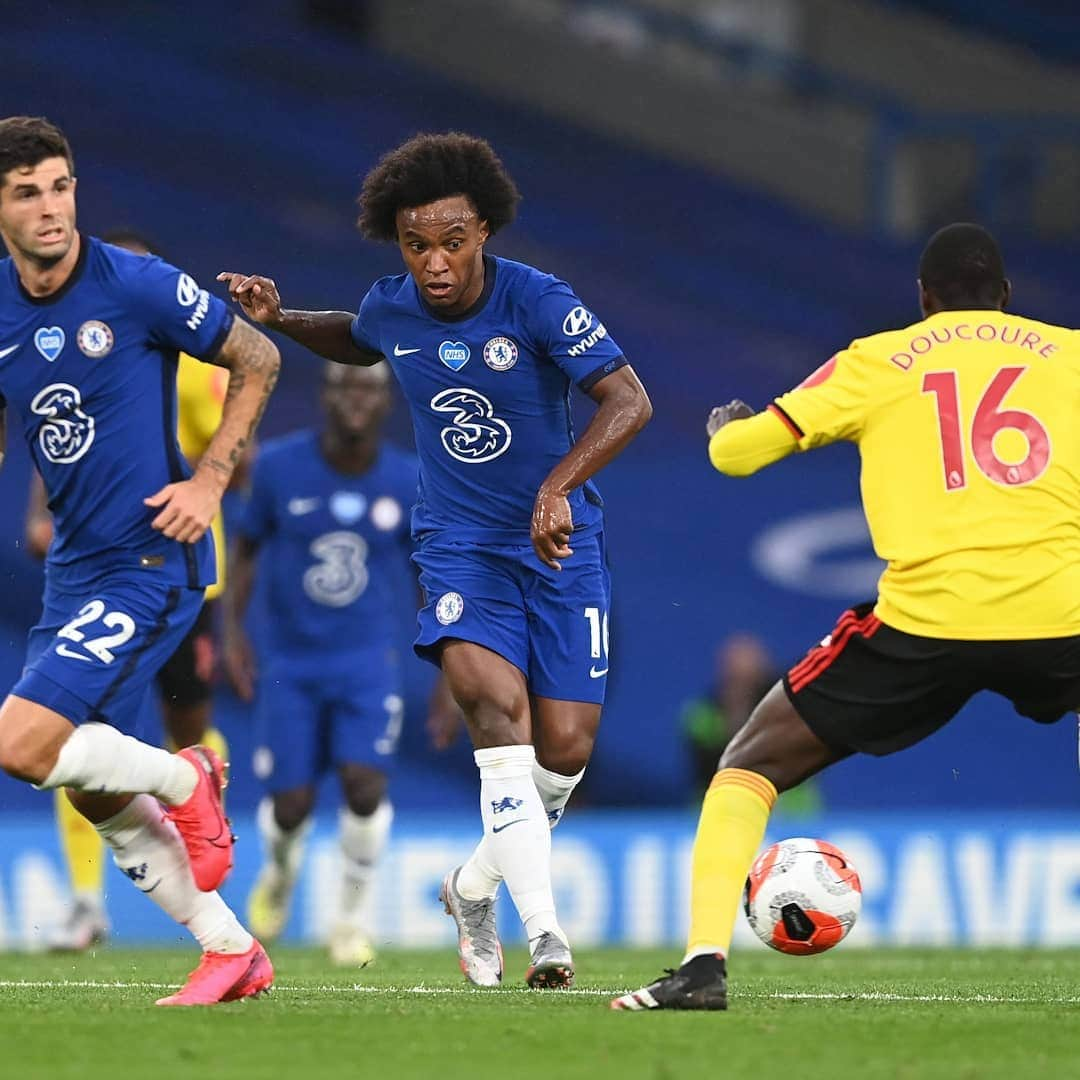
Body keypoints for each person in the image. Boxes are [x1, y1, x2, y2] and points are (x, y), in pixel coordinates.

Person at [218, 131, 652, 988]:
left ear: (485, 229)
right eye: (417, 245)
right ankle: (547, 939)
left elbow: (628, 399)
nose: (436, 262)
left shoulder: (538, 302)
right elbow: (359, 333)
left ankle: (468, 887)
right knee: (498, 714)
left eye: (452, 242)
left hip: (559, 544)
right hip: (459, 548)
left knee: (564, 751)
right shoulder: (397, 304)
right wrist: (284, 321)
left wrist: (558, 487)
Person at [613, 223, 1080, 1011]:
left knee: (748, 764)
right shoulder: (1068, 355)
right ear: (1006, 297)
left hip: (926, 623)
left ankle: (701, 968)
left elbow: (737, 456)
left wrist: (729, 427)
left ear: (924, 298)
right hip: (1060, 610)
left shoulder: (880, 359)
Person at [0, 115, 280, 1006]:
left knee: (21, 744)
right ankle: (230, 950)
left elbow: (259, 356)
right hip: (73, 574)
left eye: (60, 185)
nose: (51, 208)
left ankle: (184, 773)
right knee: (83, 783)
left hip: (151, 562)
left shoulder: (137, 285)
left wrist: (207, 480)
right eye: (26, 192)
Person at [24, 228, 234, 952]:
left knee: (170, 728)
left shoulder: (186, 361)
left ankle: (196, 802)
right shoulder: (59, 343)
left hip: (174, 567)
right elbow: (50, 434)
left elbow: (236, 435)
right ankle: (94, 905)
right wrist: (35, 512)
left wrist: (204, 482)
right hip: (88, 566)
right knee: (72, 742)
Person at [223, 362, 419, 967]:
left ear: (387, 403)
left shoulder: (407, 478)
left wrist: (448, 657)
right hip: (291, 662)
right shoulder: (279, 468)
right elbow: (247, 547)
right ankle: (280, 878)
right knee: (292, 805)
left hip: (367, 659)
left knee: (365, 786)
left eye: (370, 389)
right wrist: (232, 629)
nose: (357, 399)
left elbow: (425, 572)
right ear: (326, 394)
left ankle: (350, 924)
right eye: (345, 386)